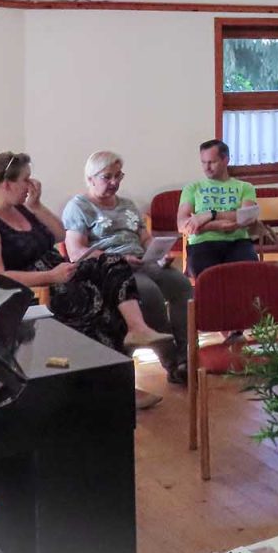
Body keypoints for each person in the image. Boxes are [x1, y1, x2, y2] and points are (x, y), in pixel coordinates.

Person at [0, 152, 173, 354]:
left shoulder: (21, 209)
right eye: (26, 179)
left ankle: (137, 330)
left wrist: (36, 205)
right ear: (7, 184)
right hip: (33, 291)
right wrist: (50, 276)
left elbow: (60, 234)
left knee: (113, 262)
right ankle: (102, 368)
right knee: (100, 301)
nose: (32, 185)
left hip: (60, 274)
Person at [62, 150, 192, 384]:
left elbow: (145, 238)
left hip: (142, 260)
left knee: (181, 285)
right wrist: (118, 258)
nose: (114, 182)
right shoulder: (79, 206)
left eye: (118, 176)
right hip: (112, 269)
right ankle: (173, 362)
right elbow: (76, 252)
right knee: (149, 294)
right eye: (107, 177)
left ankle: (185, 355)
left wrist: (159, 254)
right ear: (90, 178)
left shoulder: (128, 205)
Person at [177, 139, 260, 279]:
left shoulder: (245, 187)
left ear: (226, 160)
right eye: (203, 162)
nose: (206, 167)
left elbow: (247, 217)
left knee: (249, 275)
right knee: (208, 279)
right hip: (202, 243)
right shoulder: (192, 188)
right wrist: (216, 225)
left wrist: (209, 215)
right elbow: (182, 225)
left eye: (212, 162)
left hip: (238, 242)